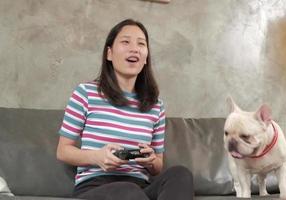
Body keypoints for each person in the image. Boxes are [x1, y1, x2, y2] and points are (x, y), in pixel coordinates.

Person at [56, 19, 194, 200]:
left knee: (180, 174)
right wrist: (96, 156)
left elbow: (158, 165)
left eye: (141, 44)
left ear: (145, 58)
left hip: (140, 188)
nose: (134, 48)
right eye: (126, 42)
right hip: (95, 188)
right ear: (109, 53)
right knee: (127, 191)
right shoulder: (86, 93)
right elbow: (63, 151)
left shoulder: (156, 105)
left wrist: (151, 160)